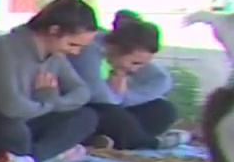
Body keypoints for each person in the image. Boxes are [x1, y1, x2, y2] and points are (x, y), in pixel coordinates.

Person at [0, 0, 99, 162]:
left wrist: (53, 101)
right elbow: (11, 108)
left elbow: (82, 92)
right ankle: (49, 152)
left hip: (28, 118)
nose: (75, 53)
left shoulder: (55, 55)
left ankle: (31, 159)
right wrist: (46, 101)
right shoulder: (1, 48)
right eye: (73, 45)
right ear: (54, 31)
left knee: (87, 116)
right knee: (13, 130)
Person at [67, 9, 191, 150]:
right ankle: (147, 143)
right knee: (111, 115)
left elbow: (161, 80)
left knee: (163, 110)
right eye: (134, 63)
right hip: (81, 106)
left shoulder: (123, 54)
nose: (135, 70)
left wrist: (125, 95)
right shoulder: (89, 49)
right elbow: (98, 96)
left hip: (110, 104)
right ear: (115, 49)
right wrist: (119, 94)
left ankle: (105, 139)